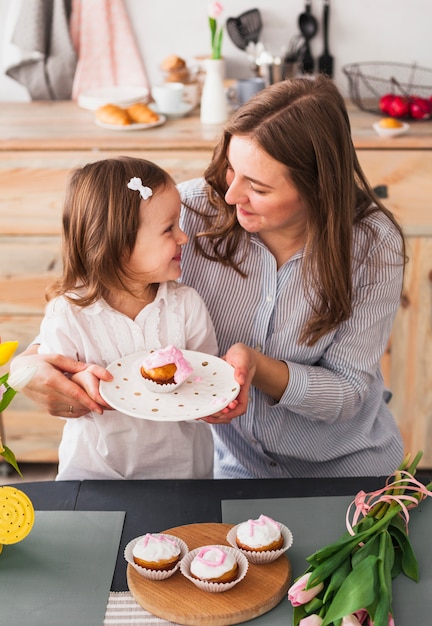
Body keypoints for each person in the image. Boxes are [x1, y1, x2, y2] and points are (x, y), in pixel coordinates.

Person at [12, 76, 406, 479]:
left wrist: (257, 367)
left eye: (257, 186)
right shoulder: (189, 210)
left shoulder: (373, 244)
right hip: (234, 471)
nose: (232, 195)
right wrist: (27, 369)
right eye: (231, 169)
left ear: (319, 188)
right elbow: (101, 297)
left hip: (348, 471)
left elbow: (349, 393)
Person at [31, 156, 218, 480]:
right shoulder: (68, 314)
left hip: (184, 475)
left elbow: (206, 381)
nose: (183, 237)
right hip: (95, 475)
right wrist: (77, 387)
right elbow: (59, 393)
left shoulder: (185, 304)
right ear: (118, 245)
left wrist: (216, 399)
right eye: (168, 228)